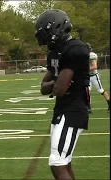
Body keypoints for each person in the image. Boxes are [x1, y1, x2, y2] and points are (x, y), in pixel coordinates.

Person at [36, 9, 90, 180]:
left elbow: (59, 90)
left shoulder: (76, 48)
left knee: (57, 162)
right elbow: (44, 87)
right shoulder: (55, 52)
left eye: (45, 35)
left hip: (73, 109)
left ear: (56, 30)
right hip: (61, 109)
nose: (44, 41)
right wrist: (58, 81)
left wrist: (57, 83)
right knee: (63, 161)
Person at [85, 42, 110, 113]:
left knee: (100, 90)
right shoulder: (85, 55)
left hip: (94, 76)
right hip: (87, 76)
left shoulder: (91, 55)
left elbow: (94, 66)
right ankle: (88, 107)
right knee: (87, 92)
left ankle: (109, 104)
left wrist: (84, 69)